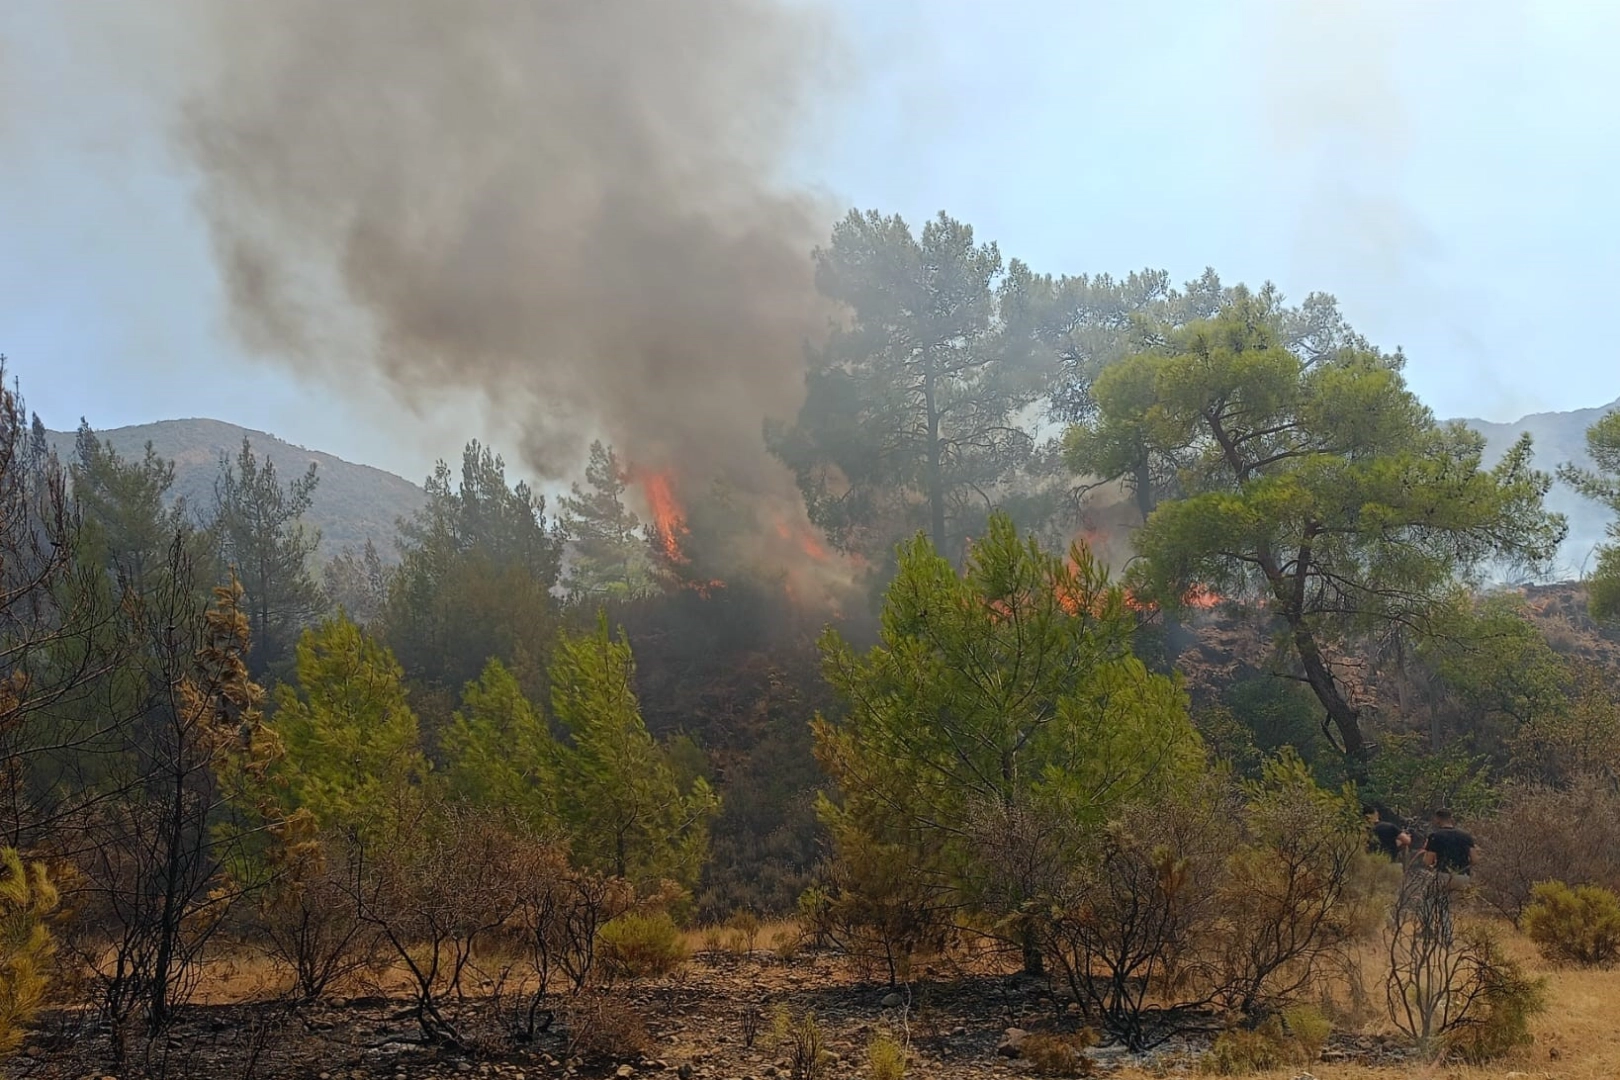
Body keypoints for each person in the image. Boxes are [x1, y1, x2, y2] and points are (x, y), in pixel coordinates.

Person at [1421, 808, 1476, 876]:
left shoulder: (1435, 836)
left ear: (1437, 819)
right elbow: (1474, 860)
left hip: (1443, 876)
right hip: (1463, 877)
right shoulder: (1466, 836)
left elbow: (1427, 861)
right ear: (1451, 818)